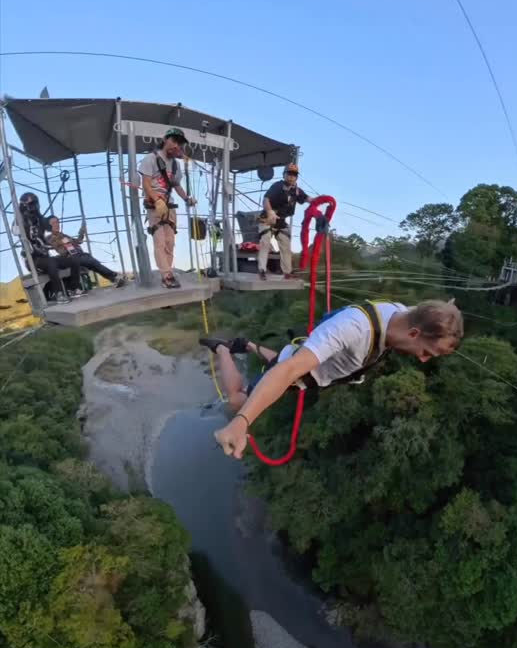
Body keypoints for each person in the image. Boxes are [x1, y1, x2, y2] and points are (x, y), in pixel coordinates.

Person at [204, 298, 464, 459]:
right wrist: (241, 421)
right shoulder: (353, 328)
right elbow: (288, 371)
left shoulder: (403, 314)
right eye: (427, 353)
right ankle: (223, 349)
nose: (423, 360)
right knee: (238, 399)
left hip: (306, 364)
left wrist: (449, 309)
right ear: (415, 333)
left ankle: (247, 344)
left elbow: (429, 311)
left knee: (286, 359)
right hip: (297, 373)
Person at [138, 128, 196, 289]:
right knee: (160, 241)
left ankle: (168, 272)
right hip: (155, 205)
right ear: (165, 140)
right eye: (174, 141)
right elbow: (146, 184)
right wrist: (157, 200)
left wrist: (186, 198)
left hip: (170, 205)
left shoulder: (175, 165)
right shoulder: (151, 159)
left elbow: (176, 185)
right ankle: (166, 275)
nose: (176, 146)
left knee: (170, 242)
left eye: (180, 144)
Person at [17, 192, 81, 302]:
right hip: (33, 260)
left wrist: (54, 221)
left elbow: (49, 226)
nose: (35, 207)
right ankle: (59, 294)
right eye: (32, 204)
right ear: (25, 206)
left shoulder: (39, 218)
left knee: (74, 260)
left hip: (45, 257)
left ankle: (73, 288)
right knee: (51, 263)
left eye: (36, 203)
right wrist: (21, 215)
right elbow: (15, 230)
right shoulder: (20, 220)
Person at [258, 163, 309, 281]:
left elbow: (307, 198)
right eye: (289, 174)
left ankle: (287, 272)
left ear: (296, 177)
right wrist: (270, 212)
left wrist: (320, 200)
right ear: (284, 175)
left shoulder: (296, 191)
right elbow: (266, 200)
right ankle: (262, 270)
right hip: (268, 218)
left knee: (286, 245)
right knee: (265, 242)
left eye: (294, 175)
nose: (291, 177)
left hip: (281, 221)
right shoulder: (277, 186)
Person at [45, 217, 126, 288]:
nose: (56, 224)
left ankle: (114, 279)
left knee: (93, 263)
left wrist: (82, 230)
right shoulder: (50, 238)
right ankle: (114, 276)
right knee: (91, 261)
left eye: (57, 222)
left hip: (78, 255)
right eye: (53, 223)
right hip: (69, 258)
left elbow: (78, 241)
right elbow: (52, 245)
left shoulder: (64, 236)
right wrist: (59, 239)